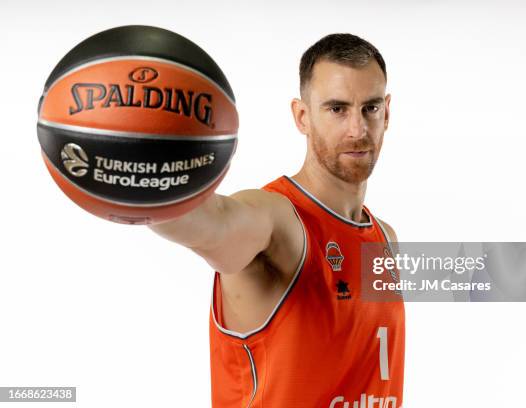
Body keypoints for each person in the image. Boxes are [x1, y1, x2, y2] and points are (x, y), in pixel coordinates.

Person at [149, 33, 405, 408]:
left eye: (370, 108)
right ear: (302, 116)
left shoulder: (386, 237)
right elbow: (210, 224)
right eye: (336, 109)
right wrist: (149, 182)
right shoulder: (277, 219)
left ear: (388, 111)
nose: (358, 130)